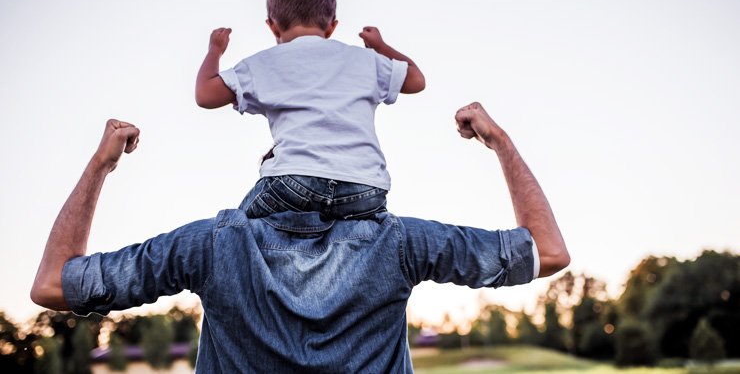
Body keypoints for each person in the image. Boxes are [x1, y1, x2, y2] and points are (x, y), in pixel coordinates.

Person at [31, 102, 570, 372]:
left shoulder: (211, 246)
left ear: (268, 168)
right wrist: (499, 142)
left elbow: (54, 285)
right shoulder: (400, 244)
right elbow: (548, 252)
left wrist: (100, 166)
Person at [195, 0, 425, 220]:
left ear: (272, 26)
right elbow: (416, 80)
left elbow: (205, 95)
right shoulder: (364, 60)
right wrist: (380, 46)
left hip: (294, 183)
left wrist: (214, 50)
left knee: (236, 230)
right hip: (366, 189)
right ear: (332, 27)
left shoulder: (265, 63)